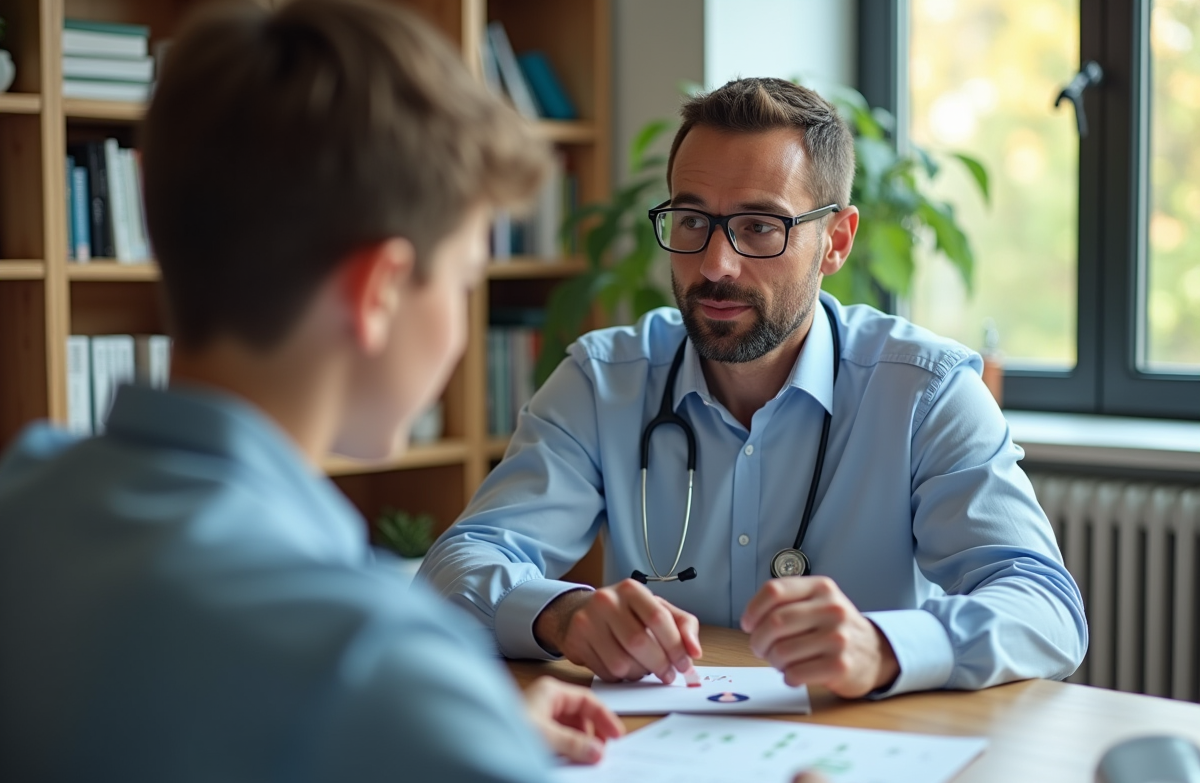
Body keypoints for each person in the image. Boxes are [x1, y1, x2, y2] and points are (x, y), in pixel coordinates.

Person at [0, 3, 851, 783]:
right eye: (462, 282)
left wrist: (462, 731)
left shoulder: (22, 501)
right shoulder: (368, 662)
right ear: (380, 291)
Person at [421, 77, 1088, 701]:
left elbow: (1045, 607)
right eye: (691, 221)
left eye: (760, 227)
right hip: (659, 750)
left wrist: (883, 645)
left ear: (836, 242)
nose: (714, 264)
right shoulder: (605, 381)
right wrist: (561, 616)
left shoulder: (924, 394)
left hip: (857, 748)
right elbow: (459, 563)